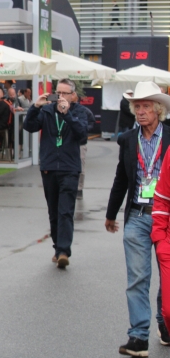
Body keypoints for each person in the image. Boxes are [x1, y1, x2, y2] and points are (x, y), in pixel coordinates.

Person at [108, 82, 170, 357]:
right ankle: (138, 337)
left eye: (146, 106)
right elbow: (122, 178)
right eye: (137, 107)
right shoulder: (128, 139)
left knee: (166, 278)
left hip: (166, 218)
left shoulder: (169, 137)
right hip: (137, 215)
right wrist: (111, 213)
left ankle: (164, 322)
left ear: (158, 109)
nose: (141, 112)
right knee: (137, 278)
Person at [23, 78, 87, 268]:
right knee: (53, 211)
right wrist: (35, 106)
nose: (60, 97)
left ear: (73, 96)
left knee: (65, 211)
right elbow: (29, 126)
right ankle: (57, 246)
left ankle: (63, 251)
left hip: (69, 168)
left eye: (64, 93)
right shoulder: (47, 110)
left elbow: (82, 134)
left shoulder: (79, 112)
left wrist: (67, 113)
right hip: (49, 167)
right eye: (57, 93)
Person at [72, 92, 95, 200]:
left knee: (81, 166)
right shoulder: (62, 109)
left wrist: (84, 130)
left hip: (81, 143)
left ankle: (79, 188)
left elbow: (91, 122)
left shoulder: (84, 111)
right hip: (67, 143)